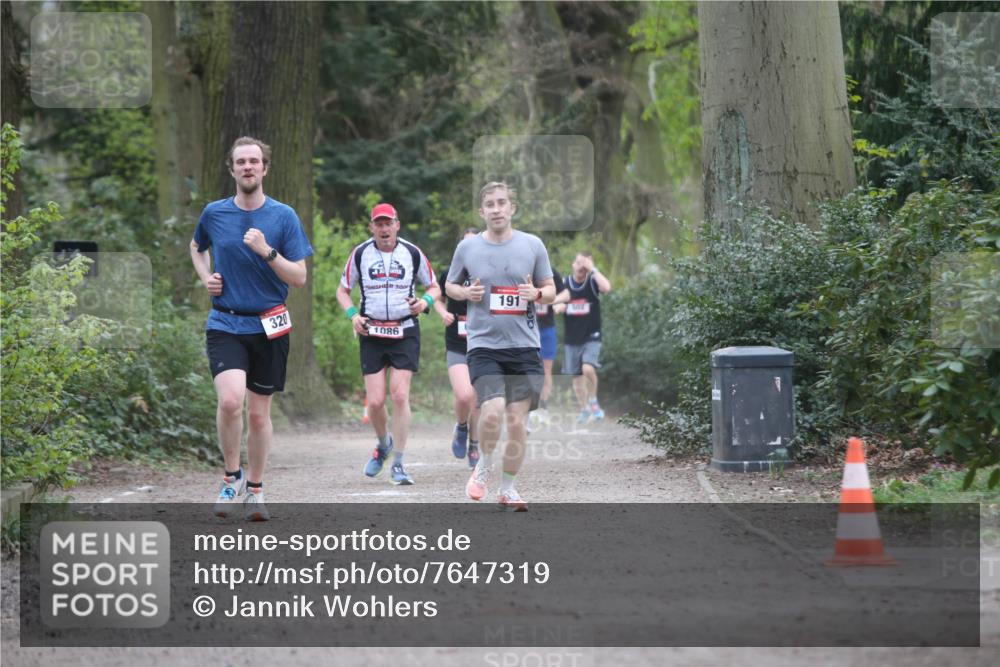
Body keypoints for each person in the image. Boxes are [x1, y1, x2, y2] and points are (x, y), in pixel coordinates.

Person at [190, 136, 313, 522]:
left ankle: (256, 490)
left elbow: (299, 277)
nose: (247, 167)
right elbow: (196, 246)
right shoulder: (214, 213)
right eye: (240, 161)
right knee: (230, 401)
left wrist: (267, 251)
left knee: (259, 415)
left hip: (270, 323)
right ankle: (231, 478)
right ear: (232, 169)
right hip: (225, 320)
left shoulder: (283, 217)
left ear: (264, 169)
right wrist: (206, 276)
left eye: (253, 161)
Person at [446, 182, 556, 511]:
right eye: (490, 205)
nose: (496, 209)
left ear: (513, 208)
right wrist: (465, 294)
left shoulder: (533, 245)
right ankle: (482, 468)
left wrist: (536, 295)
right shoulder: (468, 249)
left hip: (524, 347)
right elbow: (449, 286)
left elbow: (550, 289)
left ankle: (508, 488)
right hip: (484, 346)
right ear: (482, 212)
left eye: (502, 203)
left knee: (517, 422)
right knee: (492, 414)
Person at [337, 203, 439, 485]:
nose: (383, 229)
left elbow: (434, 286)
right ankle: (383, 444)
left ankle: (399, 462)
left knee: (400, 395)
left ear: (397, 225)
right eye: (378, 224)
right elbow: (343, 290)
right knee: (376, 401)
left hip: (404, 330)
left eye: (388, 223)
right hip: (372, 332)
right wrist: (352, 315)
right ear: (372, 227)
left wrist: (424, 303)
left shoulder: (412, 253)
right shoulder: (360, 254)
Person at [433, 228, 482, 468]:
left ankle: (475, 443)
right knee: (465, 394)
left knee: (479, 398)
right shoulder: (450, 274)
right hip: (457, 342)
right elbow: (437, 298)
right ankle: (461, 427)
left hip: (484, 343)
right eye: (465, 245)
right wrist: (443, 313)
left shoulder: (490, 272)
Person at [555, 251, 612, 423]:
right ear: (573, 265)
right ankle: (584, 409)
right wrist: (558, 307)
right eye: (578, 262)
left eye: (585, 264)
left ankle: (594, 402)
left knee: (588, 368)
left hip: (591, 335)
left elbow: (607, 288)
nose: (581, 266)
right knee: (576, 376)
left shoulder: (593, 281)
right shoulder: (565, 284)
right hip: (572, 338)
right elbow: (555, 303)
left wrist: (593, 268)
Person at [531, 267, 564, 427]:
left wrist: (555, 302)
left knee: (546, 370)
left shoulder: (550, 272)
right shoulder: (520, 268)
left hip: (546, 329)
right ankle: (529, 406)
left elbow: (566, 294)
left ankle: (542, 407)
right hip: (526, 328)